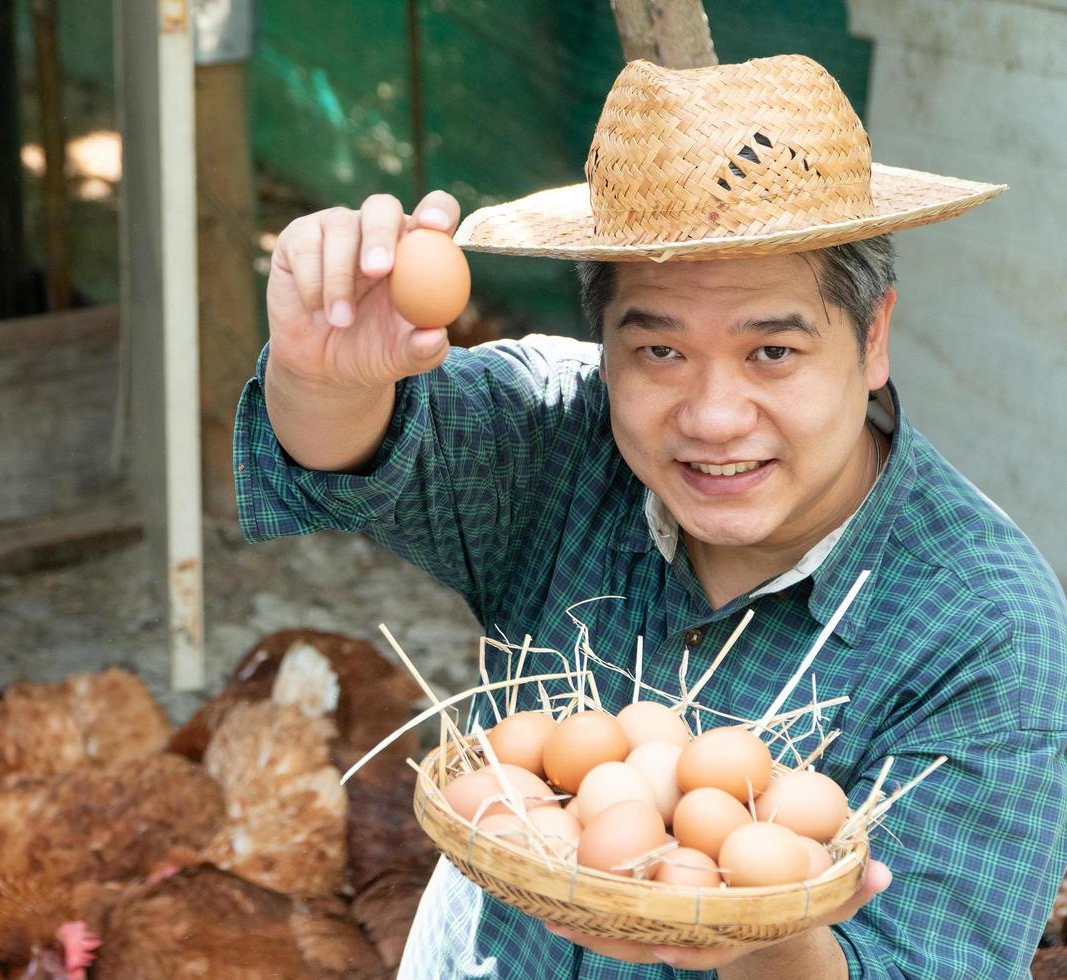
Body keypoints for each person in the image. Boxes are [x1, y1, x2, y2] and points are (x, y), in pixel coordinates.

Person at [232, 53, 1067, 977]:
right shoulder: (561, 437)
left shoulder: (986, 628)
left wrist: (759, 930)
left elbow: (927, 964)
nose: (712, 418)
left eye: (773, 352)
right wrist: (320, 372)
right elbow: (355, 453)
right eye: (660, 349)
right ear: (605, 345)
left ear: (872, 339)